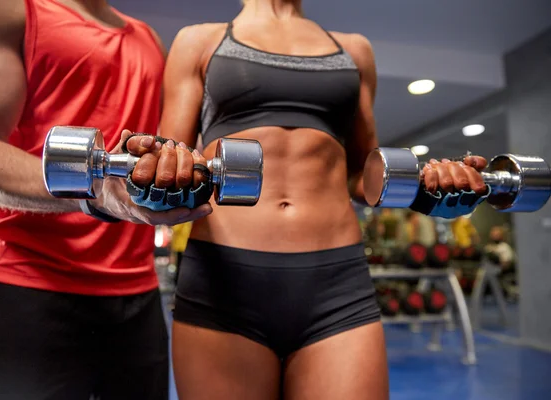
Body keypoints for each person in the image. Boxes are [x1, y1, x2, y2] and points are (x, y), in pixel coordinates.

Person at [127, 0, 490, 398]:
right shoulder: (200, 41)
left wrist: (431, 182)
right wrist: (156, 171)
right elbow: (171, 165)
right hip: (224, 280)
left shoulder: (354, 50)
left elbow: (362, 175)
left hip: (337, 283)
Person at [0, 0, 211, 399]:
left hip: (136, 299)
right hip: (27, 287)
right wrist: (93, 195)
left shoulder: (146, 38)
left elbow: (144, 162)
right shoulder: (3, 10)